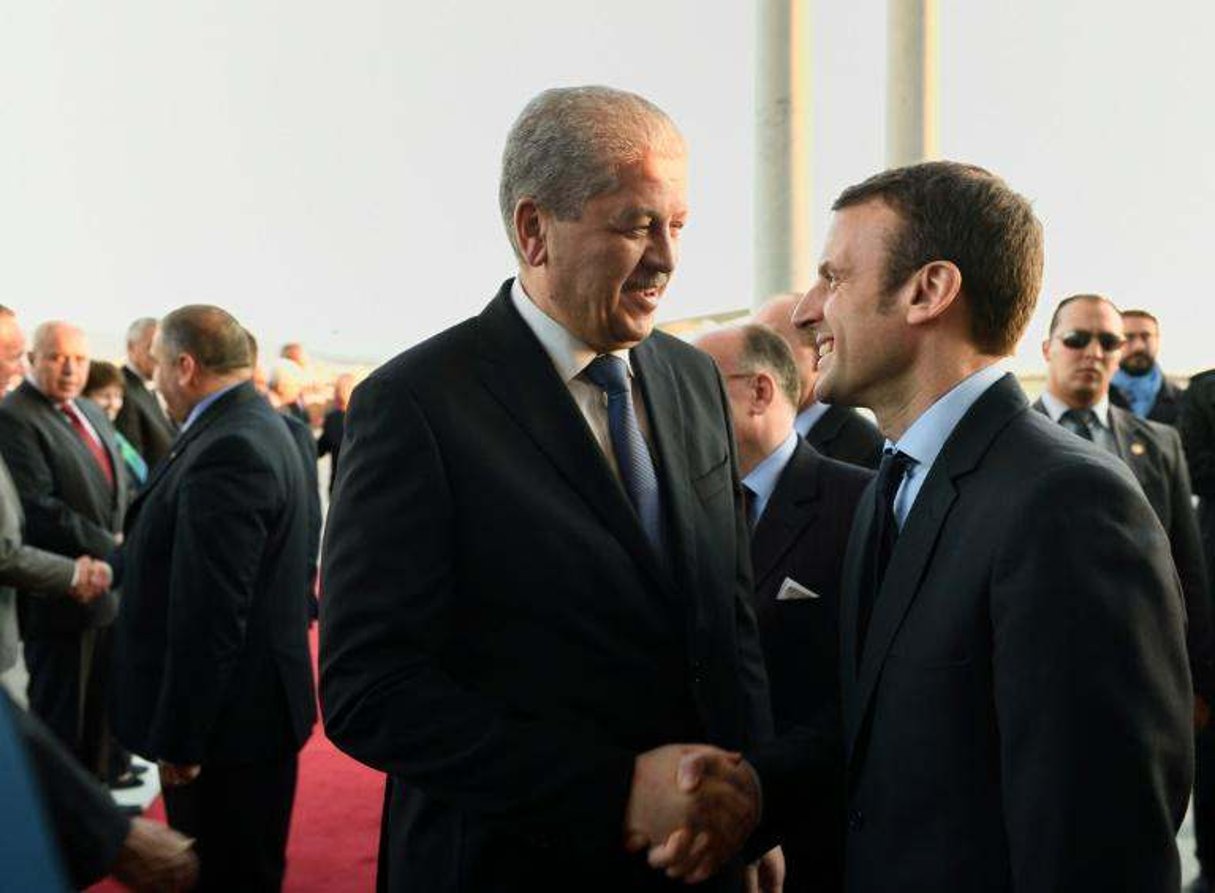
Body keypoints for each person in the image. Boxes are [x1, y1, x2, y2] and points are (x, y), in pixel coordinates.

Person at [662, 161, 1192, 890]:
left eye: (834, 277)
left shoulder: (1066, 504)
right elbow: (887, 722)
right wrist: (757, 790)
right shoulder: (894, 483)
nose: (810, 310)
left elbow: (1097, 838)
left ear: (928, 291)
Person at [319, 85, 771, 893]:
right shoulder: (416, 405)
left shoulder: (694, 378)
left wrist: (751, 807)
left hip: (694, 867)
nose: (666, 257)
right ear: (534, 230)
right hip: (506, 864)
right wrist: (613, 791)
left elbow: (726, 619)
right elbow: (370, 689)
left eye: (678, 226)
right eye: (636, 225)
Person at [110, 305, 316, 891]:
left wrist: (182, 737)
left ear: (184, 366)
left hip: (229, 728)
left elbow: (212, 611)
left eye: (157, 372)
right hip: (250, 713)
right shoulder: (259, 425)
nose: (155, 386)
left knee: (223, 874)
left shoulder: (230, 447)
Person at [695, 323, 870, 893]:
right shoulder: (678, 510)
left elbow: (863, 694)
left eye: (692, 388)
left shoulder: (864, 505)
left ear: (760, 393)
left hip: (818, 847)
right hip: (703, 845)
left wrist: (759, 801)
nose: (670, 408)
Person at [1035, 293, 1213, 699]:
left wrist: (1200, 680)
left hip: (1142, 675)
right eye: (1077, 339)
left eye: (1109, 342)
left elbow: (1186, 566)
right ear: (1048, 349)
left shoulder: (1160, 444)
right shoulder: (1003, 441)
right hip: (1041, 676)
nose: (1093, 353)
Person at [0, 321, 128, 780]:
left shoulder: (90, 411)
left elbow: (118, 489)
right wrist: (109, 549)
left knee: (99, 718)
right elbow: (38, 507)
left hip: (105, 589)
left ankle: (101, 814)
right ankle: (66, 833)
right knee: (61, 727)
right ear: (34, 359)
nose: (70, 368)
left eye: (78, 358)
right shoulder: (14, 415)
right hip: (60, 595)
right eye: (56, 357)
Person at [754, 293, 883, 468]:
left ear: (818, 352)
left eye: (770, 346)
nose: (753, 360)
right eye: (751, 347)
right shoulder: (747, 445)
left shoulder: (866, 450)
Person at [114, 317, 176, 468]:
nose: (157, 356)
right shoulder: (122, 391)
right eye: (151, 347)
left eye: (162, 348)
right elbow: (133, 464)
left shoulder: (156, 388)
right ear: (130, 347)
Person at [1111, 308, 1184, 424]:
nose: (1138, 346)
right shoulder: (1090, 398)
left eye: (1146, 337)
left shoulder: (1185, 401)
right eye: (1129, 337)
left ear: (1158, 340)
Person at [85, 360, 150, 485]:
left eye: (117, 396)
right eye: (104, 396)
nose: (113, 404)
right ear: (85, 397)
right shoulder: (88, 439)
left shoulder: (116, 435)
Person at [316, 373, 354, 494]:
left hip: (337, 489)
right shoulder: (368, 418)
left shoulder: (333, 420)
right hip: (360, 488)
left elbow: (318, 450)